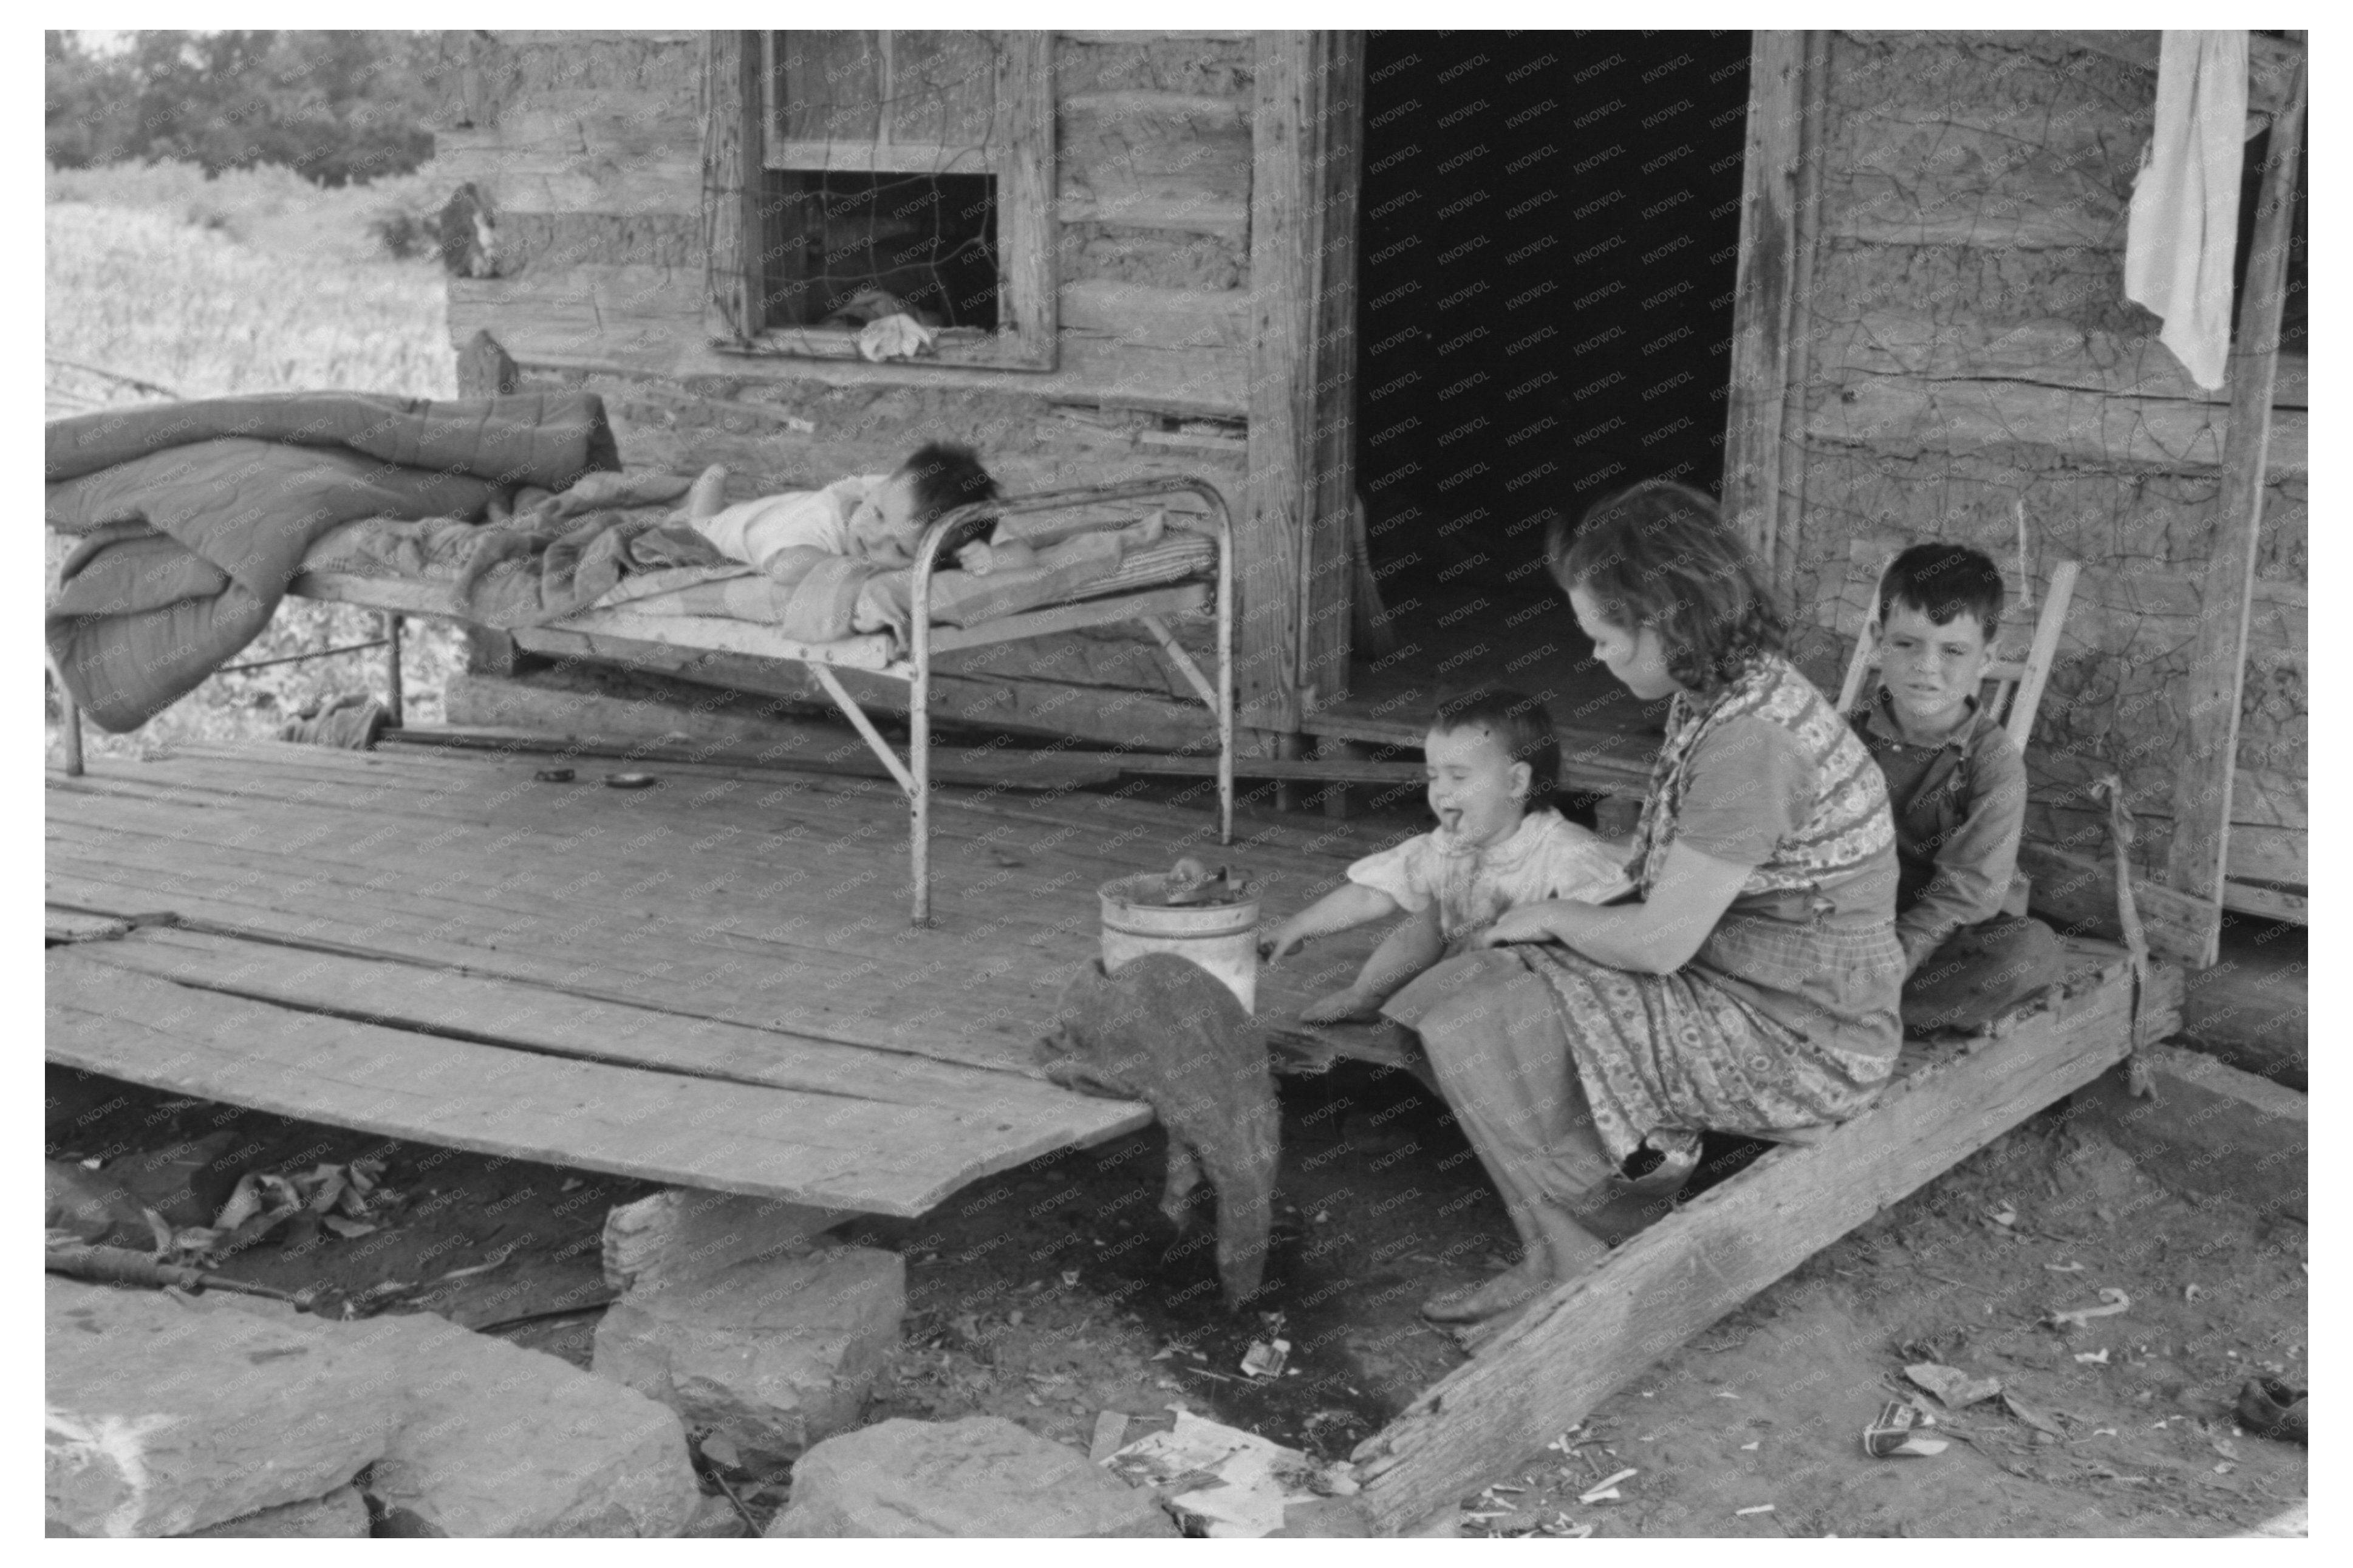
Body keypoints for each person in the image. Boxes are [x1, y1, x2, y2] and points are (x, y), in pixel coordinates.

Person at [1379, 480, 1904, 1326]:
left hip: (1806, 1035)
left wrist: (1552, 918)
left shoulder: (1751, 741)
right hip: (1749, 978)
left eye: (1605, 636)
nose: (1596, 656)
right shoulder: (1723, 695)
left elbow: (1660, 942)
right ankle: (1563, 1236)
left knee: (1476, 1012)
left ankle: (1587, 1241)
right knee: (1445, 995)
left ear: (1668, 621)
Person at [1262, 689, 1630, 1024]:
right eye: (1433, 776)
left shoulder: (1565, 851)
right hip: (1467, 974)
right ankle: (1366, 994)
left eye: (1458, 777)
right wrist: (1298, 927)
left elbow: (1612, 924)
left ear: (1516, 783)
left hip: (1534, 999)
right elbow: (1372, 893)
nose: (1440, 792)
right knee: (1428, 918)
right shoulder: (1447, 847)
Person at [1849, 543, 2065, 1032]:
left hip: (1938, 937)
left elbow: (1967, 892)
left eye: (1952, 651)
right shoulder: (1838, 737)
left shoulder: (1993, 763)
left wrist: (1894, 960)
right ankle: (1867, 1009)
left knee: (2029, 952)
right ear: (1878, 640)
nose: (1927, 667)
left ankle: (1864, 1007)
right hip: (1851, 924)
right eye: (1906, 645)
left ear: (1986, 657)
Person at [681, 441, 1000, 572]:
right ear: (877, 488)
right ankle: (714, 476)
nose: (875, 538)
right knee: (700, 521)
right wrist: (857, 571)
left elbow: (1019, 553)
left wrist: (986, 558)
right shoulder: (819, 532)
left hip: (765, 514)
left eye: (901, 551)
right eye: (877, 514)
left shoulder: (895, 503)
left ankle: (713, 482)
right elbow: (787, 568)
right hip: (715, 535)